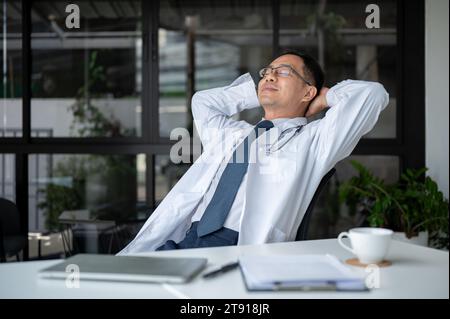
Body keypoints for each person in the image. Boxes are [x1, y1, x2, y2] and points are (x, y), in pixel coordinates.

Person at [118, 50, 389, 254]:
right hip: (186, 240)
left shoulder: (314, 141)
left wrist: (325, 98)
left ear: (308, 91)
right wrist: (254, 92)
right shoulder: (232, 134)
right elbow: (203, 102)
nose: (269, 75)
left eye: (283, 72)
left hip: (240, 246)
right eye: (267, 72)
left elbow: (373, 95)